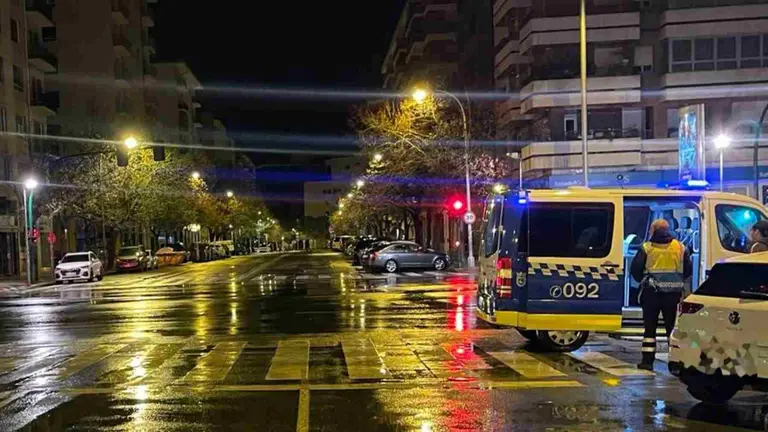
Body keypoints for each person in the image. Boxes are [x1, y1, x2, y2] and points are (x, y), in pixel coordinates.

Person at [630, 219, 692, 370]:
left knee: (650, 329)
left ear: (654, 230)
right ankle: (675, 363)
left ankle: (647, 362)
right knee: (671, 329)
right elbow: (688, 270)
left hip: (651, 293)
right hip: (673, 294)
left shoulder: (646, 247)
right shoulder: (680, 247)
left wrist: (643, 281)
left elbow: (635, 270)